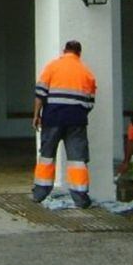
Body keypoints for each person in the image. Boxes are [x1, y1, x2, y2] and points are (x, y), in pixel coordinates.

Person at [31, 40, 97, 208]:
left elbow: (40, 95)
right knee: (77, 160)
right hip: (76, 121)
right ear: (79, 53)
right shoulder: (87, 73)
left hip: (52, 119)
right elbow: (90, 103)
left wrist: (36, 116)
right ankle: (81, 198)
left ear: (64, 50)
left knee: (46, 157)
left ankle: (40, 194)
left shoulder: (52, 67)